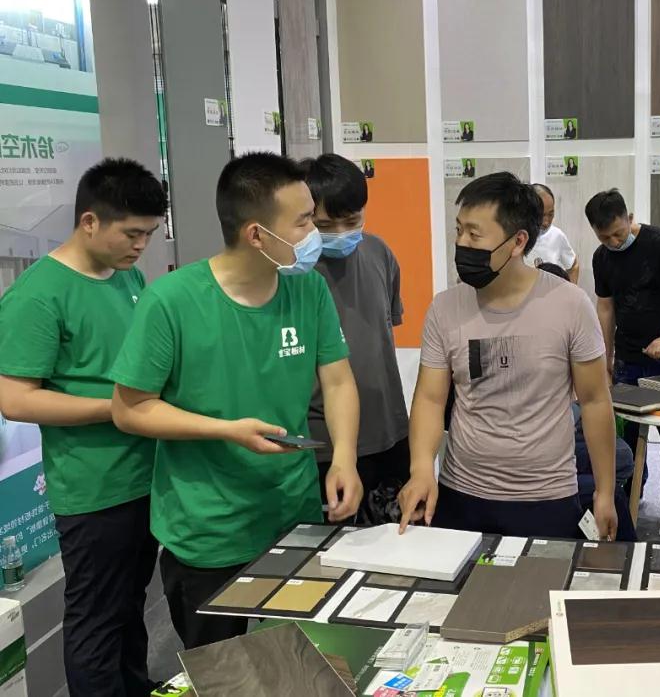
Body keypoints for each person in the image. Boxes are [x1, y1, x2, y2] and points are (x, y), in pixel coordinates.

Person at [109, 152, 362, 649]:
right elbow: (130, 408)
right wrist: (226, 430)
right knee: (221, 668)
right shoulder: (172, 301)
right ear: (256, 235)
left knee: (296, 657)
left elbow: (338, 381)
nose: (315, 233)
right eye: (304, 222)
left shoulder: (308, 290)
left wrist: (345, 459)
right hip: (208, 529)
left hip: (293, 515)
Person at [0, 159, 166, 697]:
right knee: (97, 616)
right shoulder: (38, 295)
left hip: (146, 475)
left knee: (130, 606)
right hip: (94, 487)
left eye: (149, 234)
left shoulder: (127, 276)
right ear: (89, 221)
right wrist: (119, 409)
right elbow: (15, 400)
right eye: (132, 233)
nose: (141, 246)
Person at [398, 172, 617, 540]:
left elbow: (595, 401)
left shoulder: (570, 305)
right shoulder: (445, 308)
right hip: (462, 493)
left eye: (474, 234)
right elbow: (430, 399)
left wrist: (605, 492)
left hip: (547, 497)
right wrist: (421, 469)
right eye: (459, 231)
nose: (461, 243)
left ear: (518, 241)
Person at [586, 189, 660, 537]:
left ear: (630, 218)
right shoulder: (601, 258)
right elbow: (605, 307)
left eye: (618, 233)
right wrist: (606, 357)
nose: (613, 242)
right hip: (628, 356)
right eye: (605, 237)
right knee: (625, 432)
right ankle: (628, 494)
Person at [302, 154, 410, 525]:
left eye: (352, 221)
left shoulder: (379, 253)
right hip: (324, 444)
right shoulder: (294, 273)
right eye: (325, 225)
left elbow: (383, 332)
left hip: (389, 431)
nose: (341, 233)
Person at [536, 261, 637, 542]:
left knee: (623, 459)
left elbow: (590, 395)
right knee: (620, 464)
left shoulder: (571, 324)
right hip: (543, 446)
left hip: (569, 416)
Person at [526, 183, 580, 284]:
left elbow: (573, 266)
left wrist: (571, 291)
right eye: (541, 215)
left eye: (551, 214)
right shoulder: (514, 237)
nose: (546, 222)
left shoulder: (556, 236)